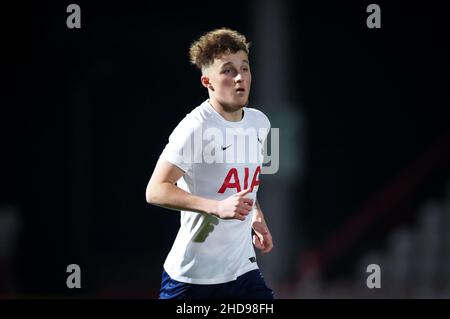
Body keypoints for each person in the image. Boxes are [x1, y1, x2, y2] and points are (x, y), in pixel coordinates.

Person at [146, 28, 274, 299]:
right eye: (228, 70)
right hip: (193, 277)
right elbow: (156, 190)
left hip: (242, 271)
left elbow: (244, 182)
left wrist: (255, 215)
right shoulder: (196, 128)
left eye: (245, 68)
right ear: (208, 82)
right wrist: (216, 208)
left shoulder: (259, 122)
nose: (240, 77)